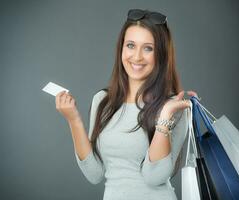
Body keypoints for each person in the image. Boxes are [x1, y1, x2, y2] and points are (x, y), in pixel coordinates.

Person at [55, 8, 199, 200]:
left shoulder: (174, 107)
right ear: (121, 48)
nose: (137, 56)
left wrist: (164, 118)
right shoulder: (102, 101)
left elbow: (154, 177)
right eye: (130, 45)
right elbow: (94, 174)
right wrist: (73, 120)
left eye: (148, 48)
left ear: (161, 54)